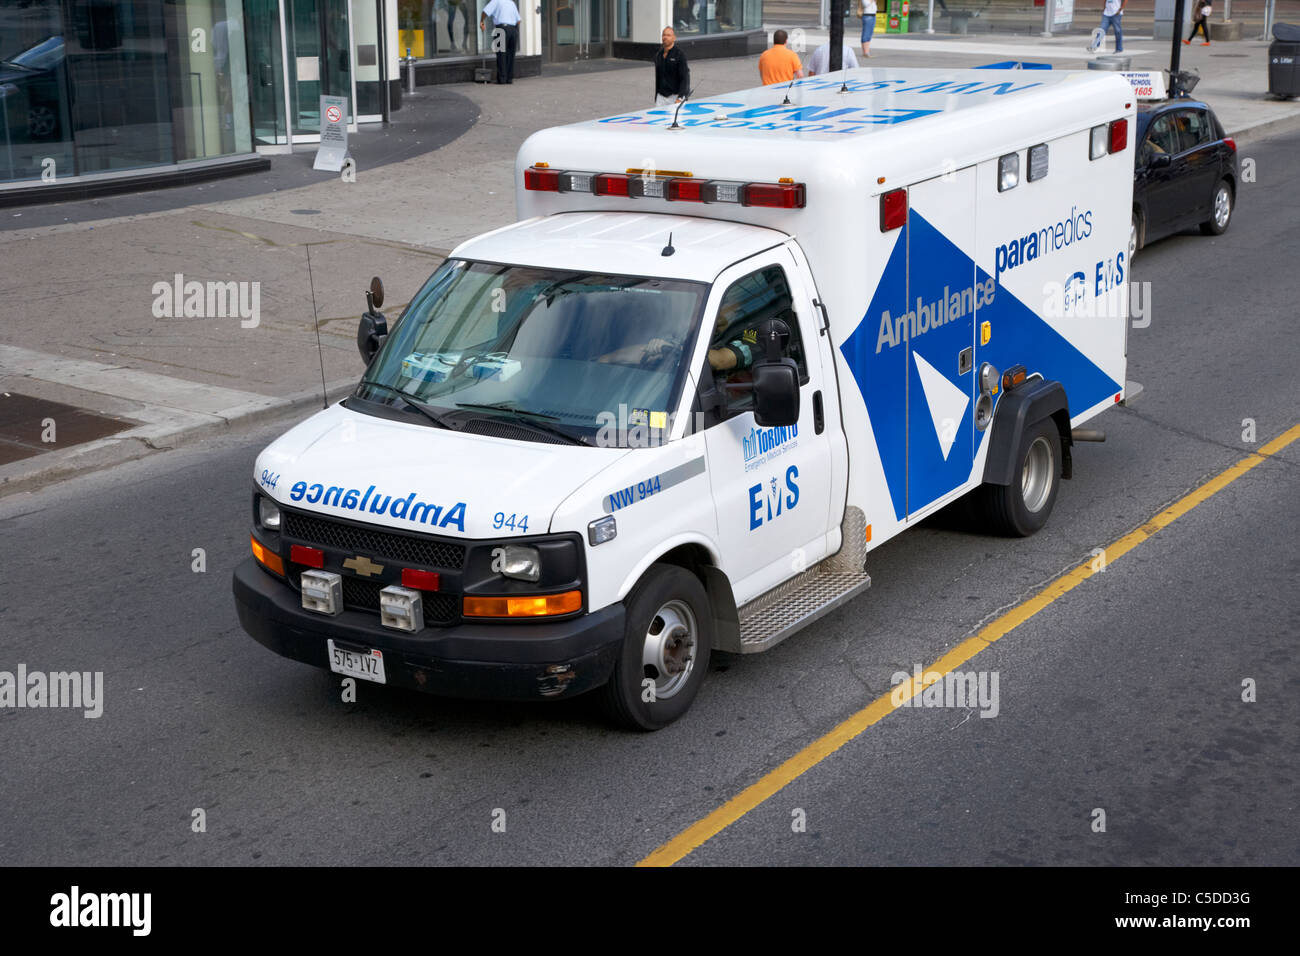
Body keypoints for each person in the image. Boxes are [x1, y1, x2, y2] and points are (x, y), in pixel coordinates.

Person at [480, 0, 520, 84]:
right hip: (513, 30)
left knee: (501, 54)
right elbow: (518, 20)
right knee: (510, 55)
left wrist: (481, 21)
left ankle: (502, 79)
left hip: (501, 29)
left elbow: (485, 11)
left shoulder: (496, 1)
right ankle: (509, 79)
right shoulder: (511, 3)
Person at [654, 26, 690, 105]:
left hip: (675, 97)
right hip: (661, 97)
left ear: (674, 38)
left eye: (668, 35)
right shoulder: (658, 55)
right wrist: (656, 96)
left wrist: (680, 97)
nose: (665, 37)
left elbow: (685, 78)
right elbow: (658, 77)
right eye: (664, 35)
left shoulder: (679, 55)